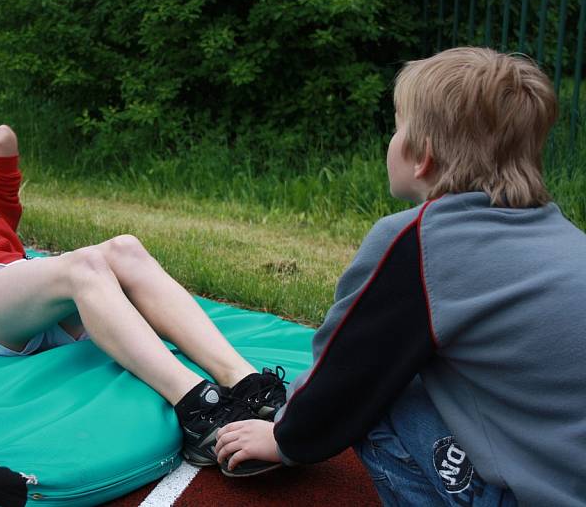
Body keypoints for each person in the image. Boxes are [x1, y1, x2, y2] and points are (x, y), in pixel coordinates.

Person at [215, 47, 586, 505]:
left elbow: (348, 373)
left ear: (422, 155)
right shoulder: (566, 236)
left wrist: (286, 438)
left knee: (385, 392)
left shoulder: (416, 242)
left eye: (397, 125)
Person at [0, 125, 286, 472]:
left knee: (124, 246)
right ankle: (197, 408)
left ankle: (245, 382)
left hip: (23, 290)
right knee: (82, 264)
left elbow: (4, 138)